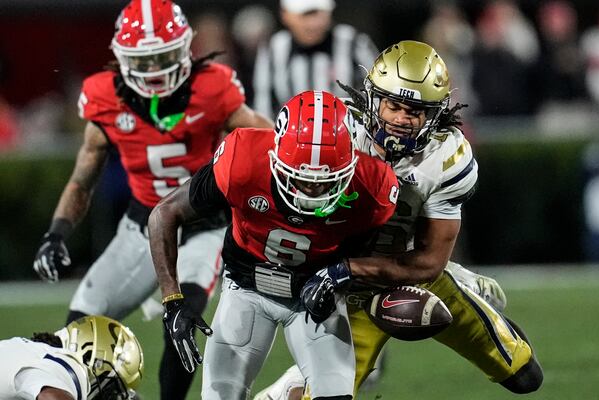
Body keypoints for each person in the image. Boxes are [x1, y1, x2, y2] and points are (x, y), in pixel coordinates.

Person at [255, 40, 543, 400]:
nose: (401, 119)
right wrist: (329, 271)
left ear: (435, 114)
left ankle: (465, 289)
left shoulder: (444, 157)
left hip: (410, 269)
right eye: (393, 105)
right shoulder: (336, 132)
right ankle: (285, 389)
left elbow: (428, 261)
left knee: (526, 378)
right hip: (349, 292)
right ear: (374, 99)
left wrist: (348, 268)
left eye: (415, 111)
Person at [31, 1, 273, 399]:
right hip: (141, 224)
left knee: (184, 317)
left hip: (202, 225)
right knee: (77, 329)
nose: (155, 70)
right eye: (143, 61)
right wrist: (56, 233)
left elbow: (267, 145)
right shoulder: (105, 98)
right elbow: (82, 180)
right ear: (122, 59)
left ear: (184, 49)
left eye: (163, 56)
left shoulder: (214, 87)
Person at [148, 90, 400, 399]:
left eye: (326, 181)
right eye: (302, 179)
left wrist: (348, 281)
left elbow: (376, 260)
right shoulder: (242, 159)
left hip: (315, 297)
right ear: (276, 156)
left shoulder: (373, 186)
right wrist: (173, 301)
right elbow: (165, 213)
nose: (313, 191)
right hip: (246, 289)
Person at [253, 0, 378, 119]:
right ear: (285, 15)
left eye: (319, 13)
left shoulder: (354, 43)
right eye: (305, 15)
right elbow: (264, 107)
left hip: (350, 136)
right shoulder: (273, 49)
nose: (313, 23)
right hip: (290, 137)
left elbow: (379, 95)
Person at [0, 315, 143, 400]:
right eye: (110, 392)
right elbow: (51, 396)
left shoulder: (33, 352)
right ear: (92, 359)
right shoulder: (67, 365)